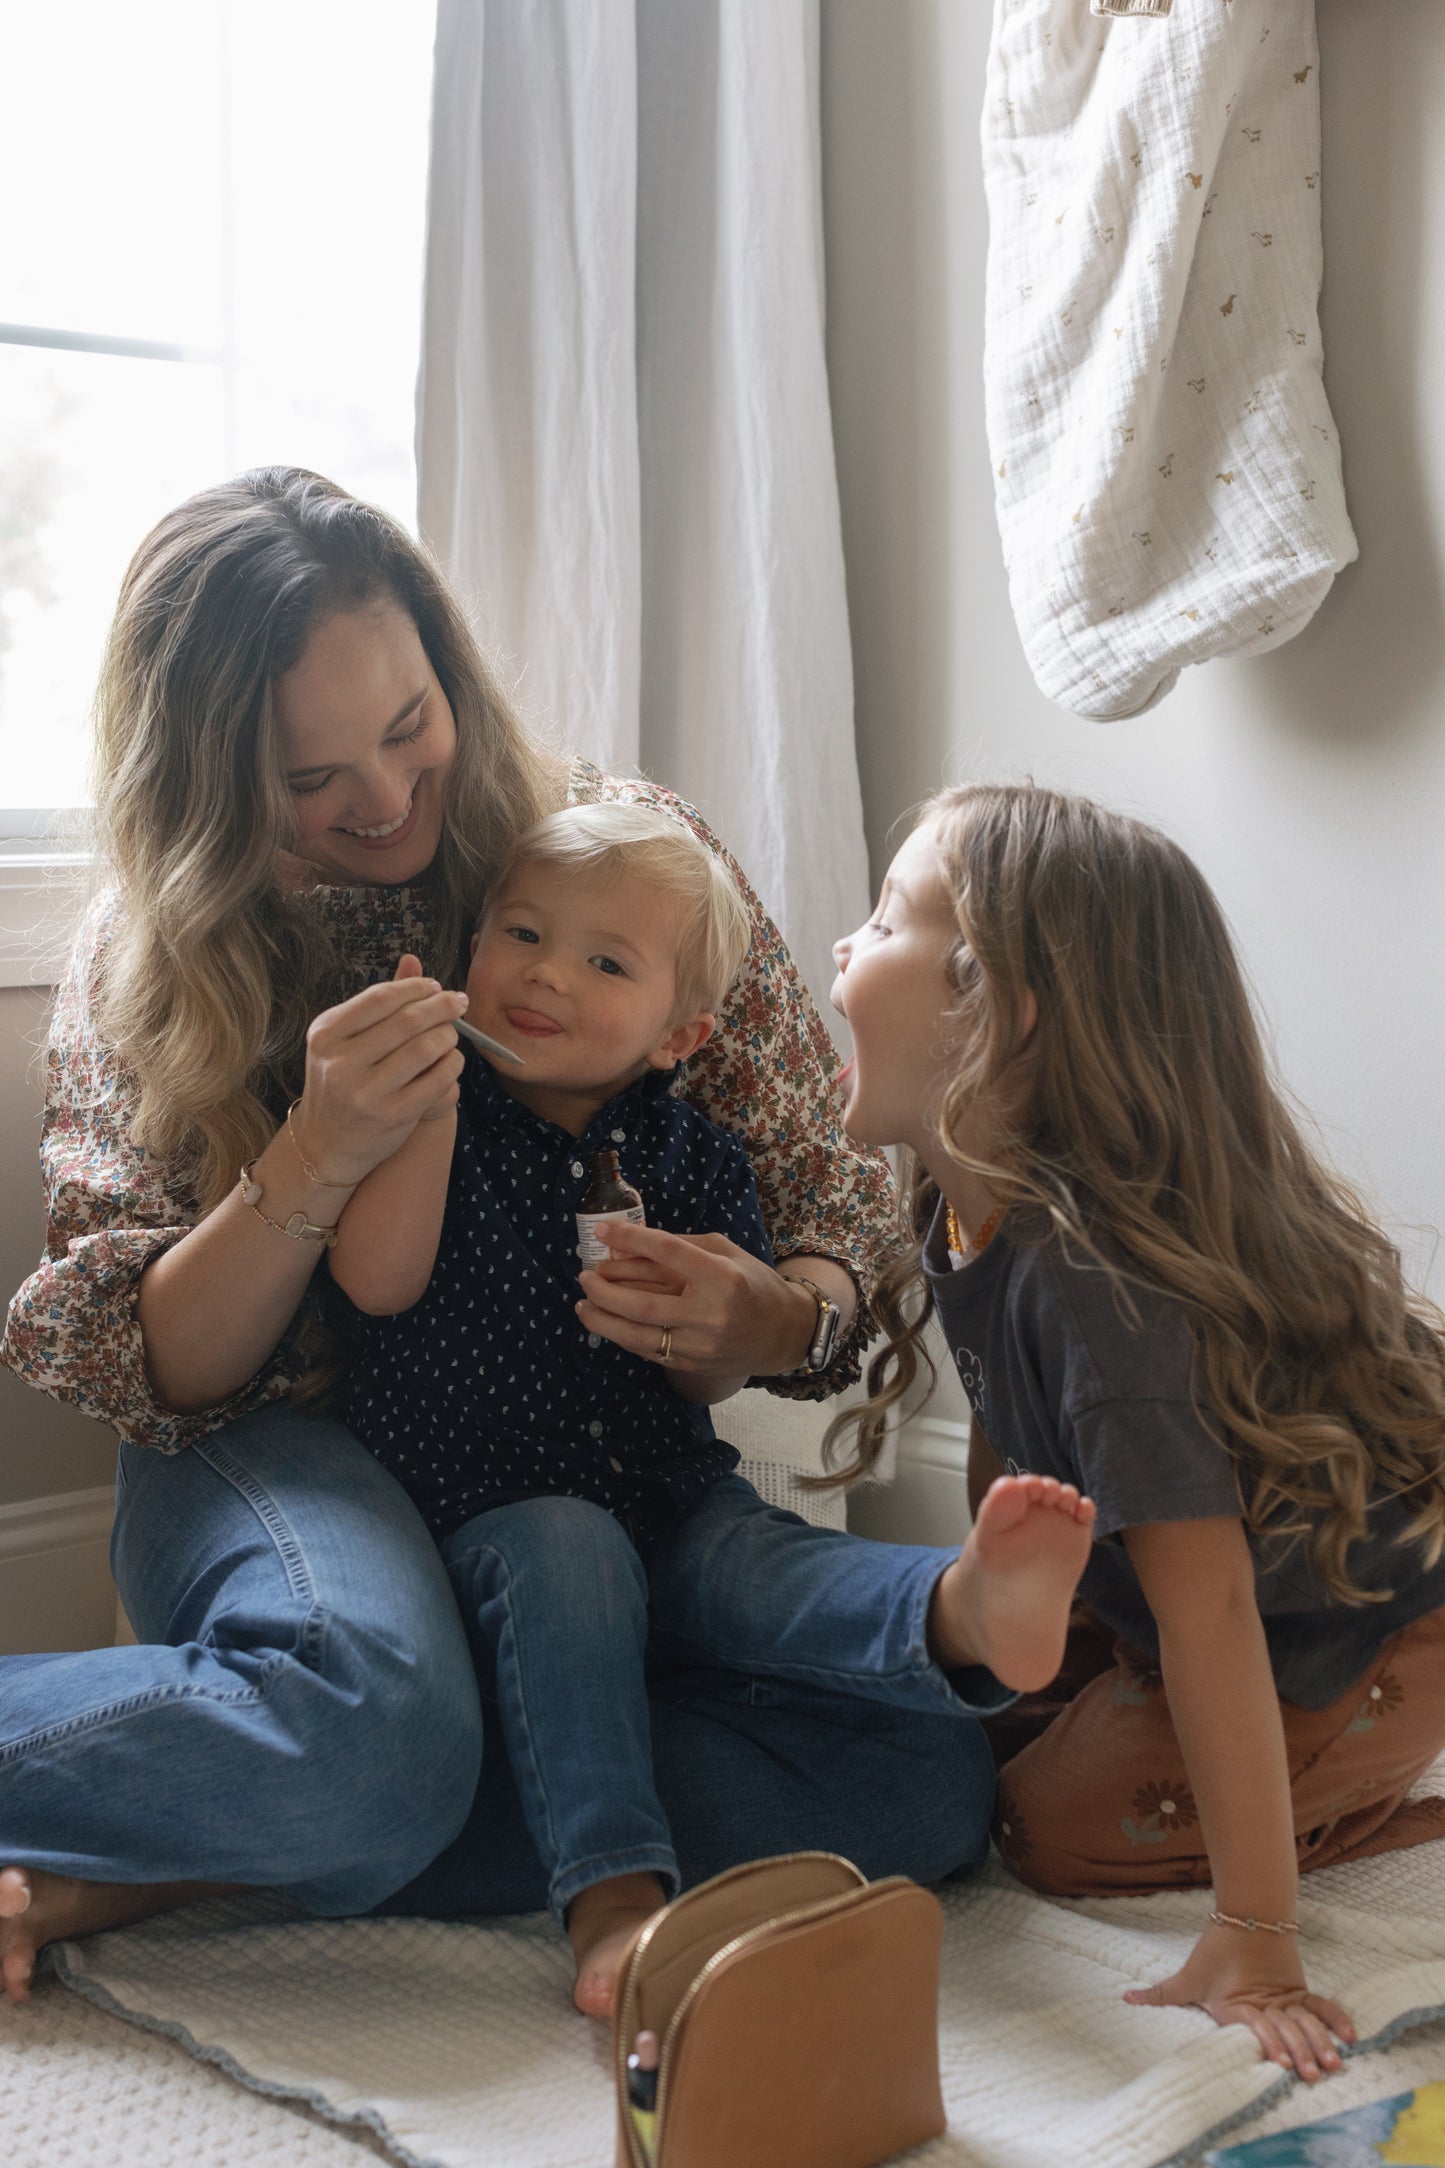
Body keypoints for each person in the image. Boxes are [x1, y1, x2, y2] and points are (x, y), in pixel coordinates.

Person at [1, 464, 980, 2007]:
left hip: (563, 1478)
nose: (384, 800)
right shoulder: (158, 955)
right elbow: (159, 1372)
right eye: (307, 776)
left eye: (407, 726)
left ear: (448, 673)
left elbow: (828, 1185)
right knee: (381, 1717)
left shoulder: (612, 857)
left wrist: (775, 1320)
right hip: (276, 1443)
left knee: (922, 1782)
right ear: (203, 779)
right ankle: (370, 1764)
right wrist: (315, 1157)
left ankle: (170, 1859)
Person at [329, 798, 1098, 2012]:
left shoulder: (692, 1155)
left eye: (603, 962)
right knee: (568, 1539)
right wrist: (417, 1107)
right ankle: (615, 1895)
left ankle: (951, 1608)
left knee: (836, 1652)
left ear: (678, 1031)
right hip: (484, 1527)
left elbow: (708, 1379)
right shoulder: (438, 1111)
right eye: (519, 933)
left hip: (670, 1498)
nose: (544, 974)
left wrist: (702, 1328)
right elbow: (377, 1282)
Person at [827, 780, 1445, 2087]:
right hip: (1181, 1602)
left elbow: (1209, 1606)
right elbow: (1013, 1461)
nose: (841, 948)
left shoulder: (1099, 1291)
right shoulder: (962, 1208)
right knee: (957, 1731)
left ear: (994, 1006)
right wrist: (1012, 1628)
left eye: (884, 918)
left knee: (1050, 1832)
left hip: (1363, 1622)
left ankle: (1380, 1781)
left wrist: (1258, 1935)